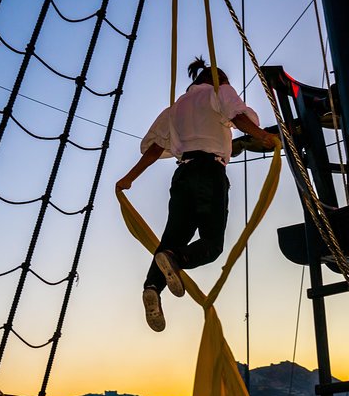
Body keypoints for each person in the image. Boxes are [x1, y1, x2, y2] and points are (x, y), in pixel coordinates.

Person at [116, 56, 278, 332]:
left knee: (172, 238)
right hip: (209, 173)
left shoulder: (175, 108)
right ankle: (177, 261)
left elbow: (155, 148)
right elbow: (237, 116)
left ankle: (153, 286)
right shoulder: (219, 90)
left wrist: (129, 178)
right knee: (211, 244)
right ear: (219, 80)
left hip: (183, 175)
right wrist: (263, 136)